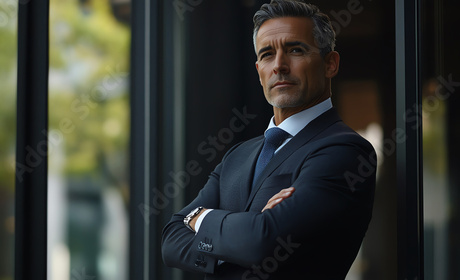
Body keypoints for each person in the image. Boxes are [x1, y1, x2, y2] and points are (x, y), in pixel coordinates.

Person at [161, 0, 376, 279]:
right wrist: (250, 231)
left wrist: (200, 218)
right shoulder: (237, 156)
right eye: (267, 54)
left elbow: (262, 242)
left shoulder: (345, 151)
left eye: (295, 50)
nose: (279, 66)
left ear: (330, 64)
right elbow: (170, 241)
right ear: (259, 69)